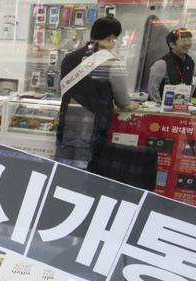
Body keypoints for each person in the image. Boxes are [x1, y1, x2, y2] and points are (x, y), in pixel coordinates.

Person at [55, 16, 139, 173]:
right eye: (116, 39)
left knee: (61, 172)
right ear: (110, 38)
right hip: (92, 129)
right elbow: (123, 102)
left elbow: (63, 88)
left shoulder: (69, 58)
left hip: (67, 124)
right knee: (87, 174)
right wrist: (130, 104)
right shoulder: (112, 63)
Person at [148, 28, 196, 103]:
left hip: (181, 106)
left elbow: (190, 86)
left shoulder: (190, 62)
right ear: (172, 44)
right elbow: (153, 90)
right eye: (183, 40)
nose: (187, 43)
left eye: (189, 39)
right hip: (162, 108)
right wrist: (159, 106)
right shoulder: (161, 63)